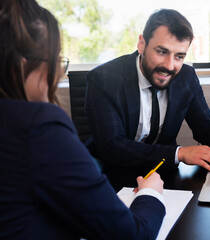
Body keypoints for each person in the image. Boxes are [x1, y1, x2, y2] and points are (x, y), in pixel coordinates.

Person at [0, 1, 165, 239]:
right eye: (55, 60)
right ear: (22, 65)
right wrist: (151, 194)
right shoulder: (37, 127)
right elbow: (133, 235)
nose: (57, 74)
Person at [85, 9, 210, 172]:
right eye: (162, 52)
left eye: (179, 56)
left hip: (164, 175)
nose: (169, 66)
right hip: (111, 174)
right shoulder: (103, 79)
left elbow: (206, 129)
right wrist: (180, 153)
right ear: (142, 44)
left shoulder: (186, 76)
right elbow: (112, 147)